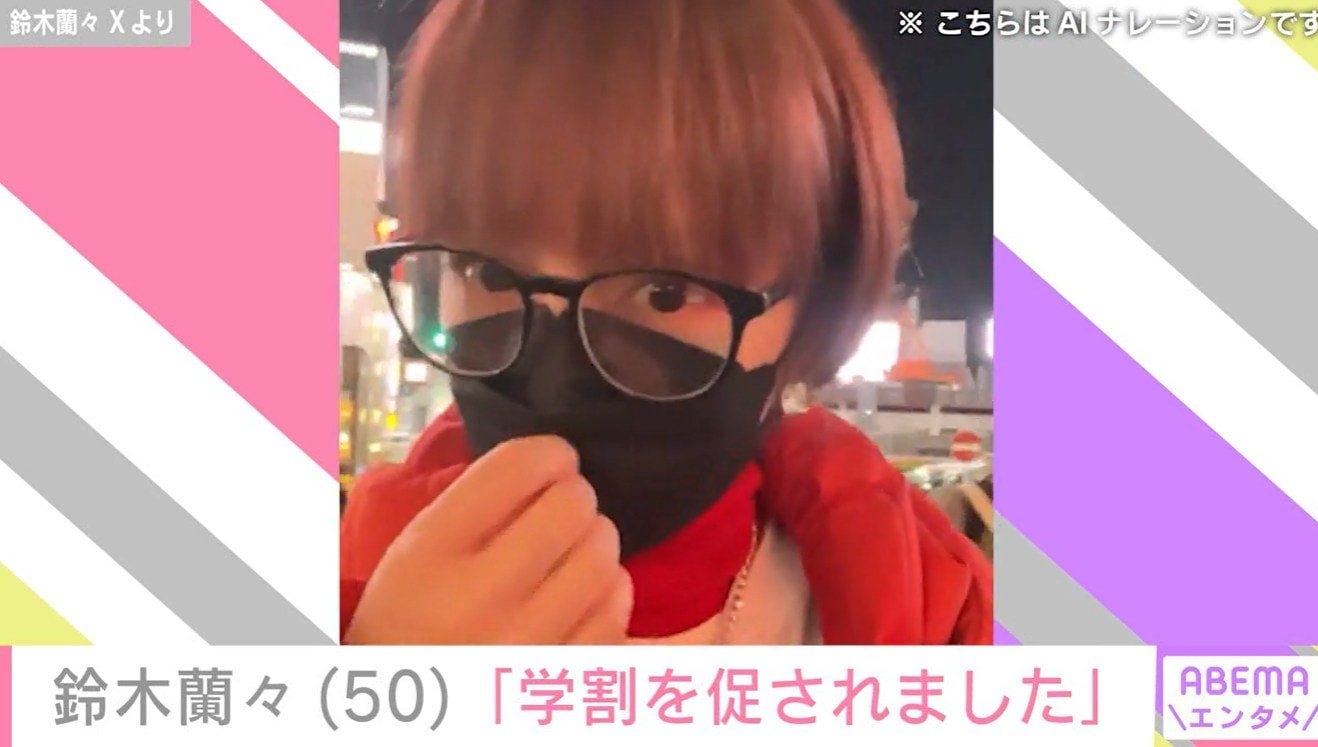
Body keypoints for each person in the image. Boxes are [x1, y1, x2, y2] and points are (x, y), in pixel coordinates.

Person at [340, 0, 992, 645]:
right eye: (485, 274)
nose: (557, 377)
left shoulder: (942, 622)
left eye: (665, 293)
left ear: (814, 303)